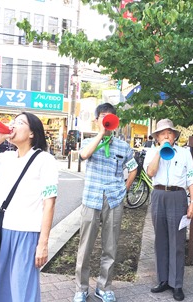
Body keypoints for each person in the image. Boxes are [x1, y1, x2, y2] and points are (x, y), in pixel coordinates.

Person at [0, 112, 58, 302]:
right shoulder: (7, 157)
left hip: (27, 234)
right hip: (0, 232)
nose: (13, 125)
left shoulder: (45, 160)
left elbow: (49, 203)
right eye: (13, 122)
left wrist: (43, 244)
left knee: (23, 290)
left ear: (32, 133)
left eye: (20, 122)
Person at [73, 103, 138, 302]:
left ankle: (104, 286)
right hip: (91, 198)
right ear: (96, 120)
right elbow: (84, 155)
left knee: (110, 246)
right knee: (85, 246)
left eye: (110, 117)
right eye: (102, 116)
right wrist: (101, 134)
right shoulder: (89, 142)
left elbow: (134, 168)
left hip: (114, 199)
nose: (107, 120)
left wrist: (123, 189)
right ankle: (81, 289)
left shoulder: (123, 147)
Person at [143, 118, 193, 301]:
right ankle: (163, 280)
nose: (166, 136)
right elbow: (150, 173)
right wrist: (160, 151)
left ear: (175, 136)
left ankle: (177, 284)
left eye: (169, 133)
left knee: (177, 240)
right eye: (162, 134)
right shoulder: (152, 152)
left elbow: (191, 178)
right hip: (159, 195)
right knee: (161, 239)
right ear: (157, 137)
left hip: (177, 196)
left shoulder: (184, 153)